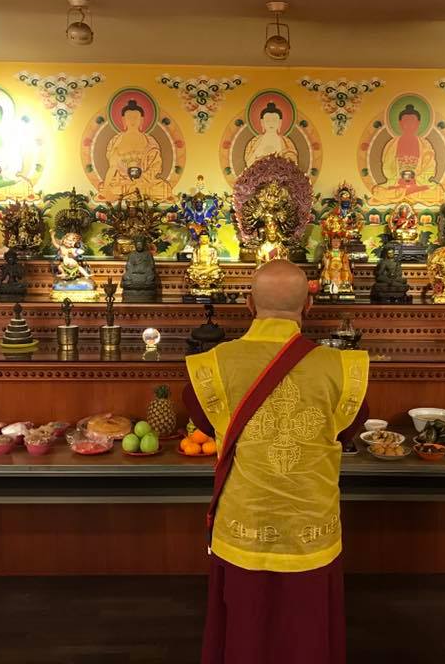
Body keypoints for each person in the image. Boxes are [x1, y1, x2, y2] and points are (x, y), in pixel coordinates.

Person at [183, 260, 369, 664]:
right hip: (310, 523)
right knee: (307, 631)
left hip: (244, 521)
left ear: (249, 304)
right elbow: (349, 430)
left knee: (245, 628)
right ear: (309, 307)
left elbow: (204, 421)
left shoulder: (212, 366)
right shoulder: (342, 369)